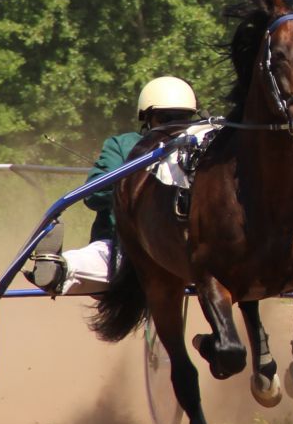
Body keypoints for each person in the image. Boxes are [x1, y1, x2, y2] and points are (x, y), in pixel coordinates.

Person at [29, 75, 198, 295]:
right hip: (121, 247)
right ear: (146, 119)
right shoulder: (124, 145)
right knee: (88, 261)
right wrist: (138, 186)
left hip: (182, 251)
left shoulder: (199, 149)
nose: (175, 127)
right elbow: (95, 194)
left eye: (183, 119)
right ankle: (55, 267)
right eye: (165, 118)